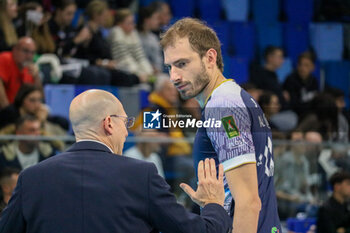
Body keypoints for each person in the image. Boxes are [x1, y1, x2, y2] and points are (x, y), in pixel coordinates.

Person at [0, 89, 232, 233]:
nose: (126, 130)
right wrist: (213, 203)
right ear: (109, 123)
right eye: (125, 122)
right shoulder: (141, 175)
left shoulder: (31, 177)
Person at [161, 18, 281, 232]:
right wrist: (212, 204)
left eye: (182, 64)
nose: (174, 76)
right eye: (169, 67)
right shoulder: (232, 99)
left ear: (210, 57)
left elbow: (248, 203)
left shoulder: (224, 105)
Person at [108, 8, 153, 78]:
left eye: (133, 22)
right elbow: (123, 58)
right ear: (119, 24)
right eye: (129, 23)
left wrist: (149, 72)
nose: (133, 25)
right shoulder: (116, 32)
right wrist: (139, 73)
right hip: (121, 69)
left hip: (134, 70)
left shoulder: (133, 33)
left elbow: (140, 56)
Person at [0, 37, 42, 109]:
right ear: (15, 50)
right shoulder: (5, 59)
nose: (29, 56)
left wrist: (36, 77)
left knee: (59, 120)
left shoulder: (29, 69)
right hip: (8, 111)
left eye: (32, 53)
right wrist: (7, 112)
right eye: (25, 51)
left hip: (23, 111)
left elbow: (38, 96)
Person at [283, 52, 319, 118]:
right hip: (294, 114)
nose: (302, 68)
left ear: (313, 67)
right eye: (300, 64)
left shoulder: (314, 81)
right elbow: (294, 105)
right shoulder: (290, 80)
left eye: (306, 65)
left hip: (309, 112)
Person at [138, 6, 164, 74]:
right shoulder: (134, 36)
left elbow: (158, 59)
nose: (158, 22)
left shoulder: (153, 38)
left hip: (155, 74)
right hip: (140, 72)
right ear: (147, 20)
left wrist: (157, 69)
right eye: (155, 18)